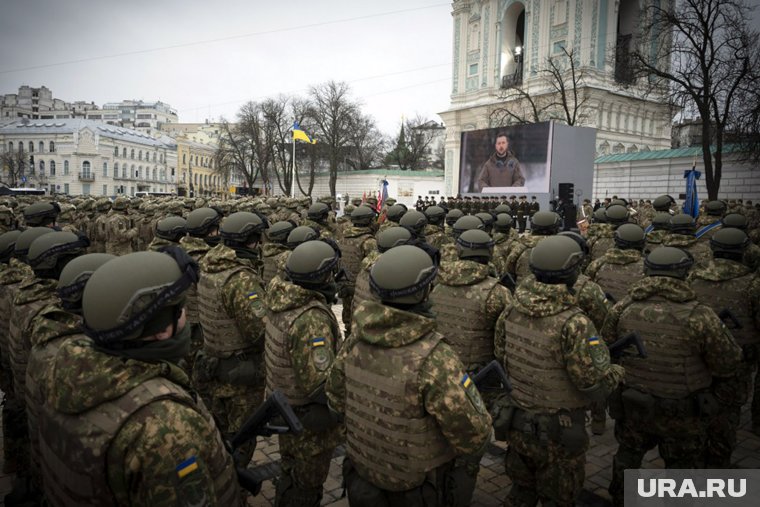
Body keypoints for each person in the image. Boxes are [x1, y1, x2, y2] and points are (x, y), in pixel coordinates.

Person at [38, 249, 241, 506]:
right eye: (181, 309)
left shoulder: (66, 377)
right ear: (161, 330)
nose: (186, 316)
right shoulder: (164, 425)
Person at [326, 245, 492, 506]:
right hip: (415, 486)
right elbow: (473, 435)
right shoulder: (434, 357)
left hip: (364, 473)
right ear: (425, 290)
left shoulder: (354, 343)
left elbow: (335, 401)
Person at [602, 247, 743, 505]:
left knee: (628, 457)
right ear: (683, 274)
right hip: (682, 412)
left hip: (634, 402)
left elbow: (607, 349)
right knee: (681, 471)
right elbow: (728, 363)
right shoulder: (700, 314)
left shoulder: (623, 307)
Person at [494, 236, 623, 506]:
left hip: (518, 421)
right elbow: (591, 383)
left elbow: (501, 356)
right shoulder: (574, 322)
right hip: (558, 430)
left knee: (521, 493)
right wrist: (617, 372)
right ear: (573, 272)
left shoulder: (510, 310)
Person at [265, 241, 343, 506]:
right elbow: (320, 386)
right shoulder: (311, 318)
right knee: (306, 487)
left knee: (290, 471)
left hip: (286, 408)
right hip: (308, 421)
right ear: (322, 276)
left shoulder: (282, 298)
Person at [197, 211, 269, 469]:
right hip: (240, 376)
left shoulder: (209, 265)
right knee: (241, 440)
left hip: (212, 364)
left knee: (220, 436)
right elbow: (260, 332)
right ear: (249, 241)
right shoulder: (240, 279)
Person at [688, 228, 760, 461]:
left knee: (696, 408)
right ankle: (716, 464)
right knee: (727, 415)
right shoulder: (753, 284)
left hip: (698, 357)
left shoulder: (693, 277)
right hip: (737, 361)